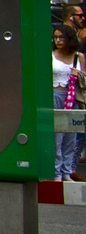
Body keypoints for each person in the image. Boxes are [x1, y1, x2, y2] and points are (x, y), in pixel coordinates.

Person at [53, 27, 81, 181]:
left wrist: (78, 75)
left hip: (73, 97)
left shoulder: (78, 57)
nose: (57, 40)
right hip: (55, 94)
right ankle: (56, 172)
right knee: (57, 135)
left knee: (71, 135)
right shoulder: (50, 55)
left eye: (61, 37)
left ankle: (66, 171)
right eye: (55, 37)